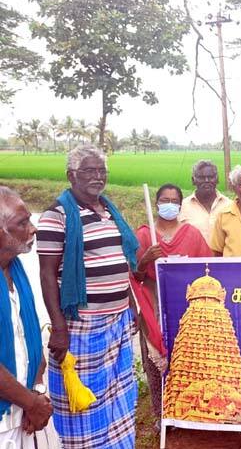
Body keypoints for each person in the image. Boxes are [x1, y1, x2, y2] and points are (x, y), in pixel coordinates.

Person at [36, 145, 139, 449]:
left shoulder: (108, 210)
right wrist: (58, 326)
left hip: (117, 321)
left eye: (101, 170)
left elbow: (121, 260)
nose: (97, 176)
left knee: (118, 394)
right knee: (85, 399)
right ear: (71, 175)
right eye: (89, 171)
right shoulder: (57, 216)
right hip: (82, 326)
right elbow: (47, 274)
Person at [132, 183, 211, 420]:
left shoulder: (192, 234)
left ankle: (188, 411)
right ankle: (161, 414)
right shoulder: (144, 235)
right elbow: (134, 276)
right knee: (155, 362)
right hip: (153, 302)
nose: (169, 204)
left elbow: (208, 268)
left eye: (174, 200)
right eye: (164, 200)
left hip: (184, 301)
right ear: (156, 203)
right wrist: (145, 260)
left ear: (180, 204)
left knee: (187, 358)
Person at [0, 187, 52, 448]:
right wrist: (32, 403)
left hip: (21, 414)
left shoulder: (16, 269)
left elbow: (30, 339)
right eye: (22, 223)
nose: (33, 229)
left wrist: (36, 395)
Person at [179, 160, 231, 245]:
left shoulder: (229, 205)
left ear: (217, 179)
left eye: (211, 177)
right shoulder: (182, 206)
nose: (206, 180)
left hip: (223, 257)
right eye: (201, 177)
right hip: (193, 258)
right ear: (193, 180)